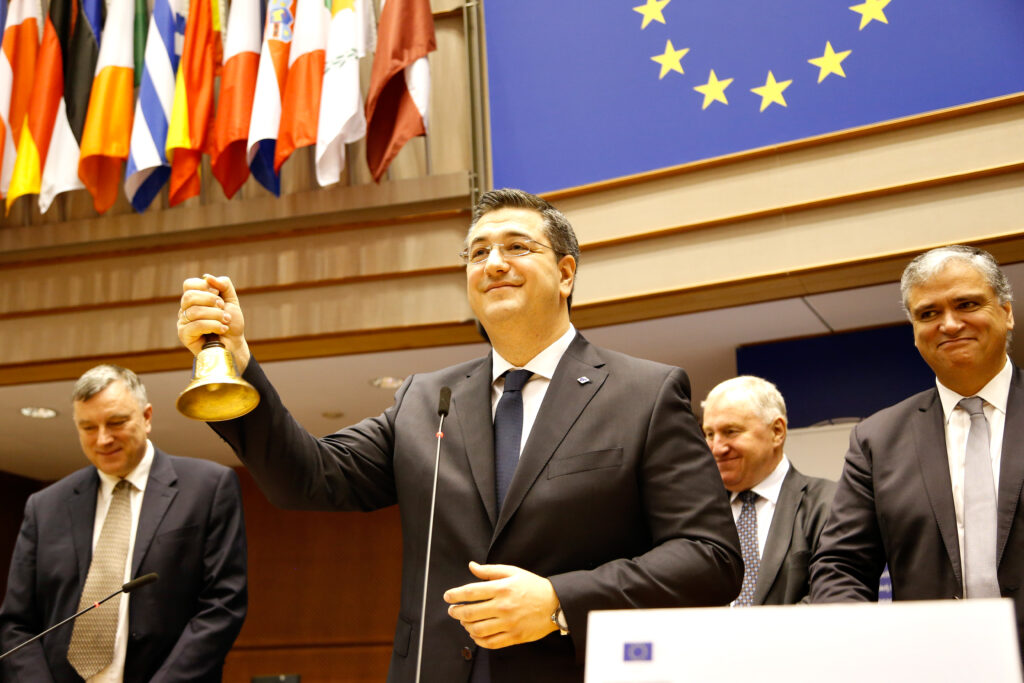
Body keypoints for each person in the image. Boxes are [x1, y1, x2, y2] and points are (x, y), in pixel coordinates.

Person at [175, 188, 742, 683]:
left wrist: (558, 600)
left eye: (517, 247)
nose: (493, 263)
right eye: (477, 252)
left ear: (566, 274)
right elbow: (309, 479)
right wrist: (237, 365)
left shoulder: (644, 393)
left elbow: (709, 557)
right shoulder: (426, 400)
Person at [810, 245, 1024, 657]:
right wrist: (858, 648)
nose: (949, 324)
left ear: (1006, 312)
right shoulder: (877, 440)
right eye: (928, 313)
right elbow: (842, 565)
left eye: (967, 304)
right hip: (930, 665)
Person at [0, 364, 248, 682]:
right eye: (88, 427)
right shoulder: (45, 506)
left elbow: (223, 605)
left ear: (146, 417)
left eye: (116, 422)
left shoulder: (207, 488)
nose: (103, 439)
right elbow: (16, 623)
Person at [701, 376, 835, 605]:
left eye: (731, 431)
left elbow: (832, 597)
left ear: (777, 431)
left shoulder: (829, 503)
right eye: (710, 434)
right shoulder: (698, 514)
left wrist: (756, 628)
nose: (717, 448)